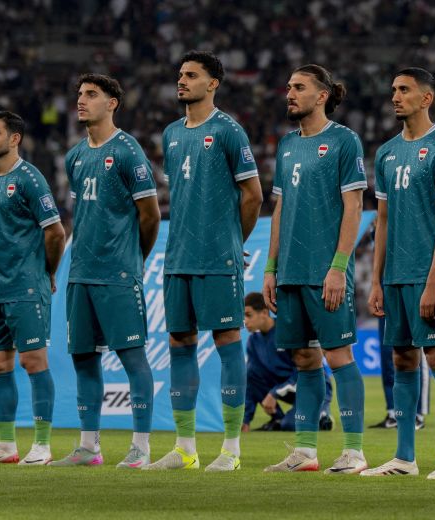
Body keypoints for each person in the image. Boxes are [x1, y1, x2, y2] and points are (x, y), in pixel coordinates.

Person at [145, 50, 263, 472]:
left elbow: (253, 196)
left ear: (213, 83)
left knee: (227, 343)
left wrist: (233, 240)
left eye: (191, 75)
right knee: (180, 344)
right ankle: (185, 448)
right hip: (177, 258)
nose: (182, 81)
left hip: (217, 258)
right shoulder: (172, 133)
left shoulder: (230, 132)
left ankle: (231, 448)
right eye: (180, 74)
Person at [262, 65, 367, 474]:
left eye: (299, 87)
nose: (289, 92)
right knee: (305, 360)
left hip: (324, 271)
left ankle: (354, 451)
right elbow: (280, 209)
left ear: (322, 95)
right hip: (289, 271)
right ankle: (305, 452)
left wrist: (339, 267)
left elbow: (354, 206)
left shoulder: (343, 141)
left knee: (339, 357)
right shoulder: (287, 145)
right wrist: (271, 268)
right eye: (288, 86)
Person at [52, 74, 160, 469]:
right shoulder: (75, 156)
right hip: (79, 273)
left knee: (133, 359)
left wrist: (133, 260)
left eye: (91, 95)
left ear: (113, 103)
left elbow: (150, 217)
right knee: (84, 359)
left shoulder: (129, 152)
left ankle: (141, 447)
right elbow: (81, 216)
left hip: (117, 274)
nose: (81, 100)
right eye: (79, 94)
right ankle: (88, 448)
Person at [363, 68, 435, 478]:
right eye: (393, 89)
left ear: (426, 99)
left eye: (404, 90)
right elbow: (382, 221)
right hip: (395, 277)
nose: (395, 96)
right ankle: (405, 457)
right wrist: (376, 280)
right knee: (403, 359)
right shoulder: (386, 153)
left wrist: (434, 281)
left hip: (426, 276)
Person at [0, 111, 65, 465]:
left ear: (15, 139)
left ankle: (42, 444)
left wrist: (47, 272)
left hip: (26, 287)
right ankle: (6, 445)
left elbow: (55, 232)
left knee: (33, 362)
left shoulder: (29, 179)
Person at [242, 292, 333, 432]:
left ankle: (322, 415)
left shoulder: (287, 331)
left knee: (290, 425)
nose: (245, 321)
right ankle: (278, 418)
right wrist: (245, 419)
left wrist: (274, 393)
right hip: (288, 389)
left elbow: (302, 370)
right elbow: (251, 379)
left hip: (311, 385)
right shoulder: (253, 341)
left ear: (265, 313)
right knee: (251, 375)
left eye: (249, 315)